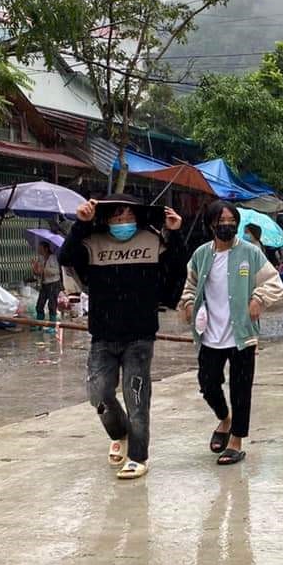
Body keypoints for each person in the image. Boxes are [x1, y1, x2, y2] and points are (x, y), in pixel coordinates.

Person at [60, 194, 186, 480]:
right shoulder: (93, 242)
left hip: (140, 336)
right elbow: (65, 257)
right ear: (106, 218)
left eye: (128, 216)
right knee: (100, 396)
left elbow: (178, 266)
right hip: (103, 336)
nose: (122, 222)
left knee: (137, 398)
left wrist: (174, 232)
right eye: (117, 217)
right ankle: (119, 433)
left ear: (137, 217)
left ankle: (138, 456)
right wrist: (80, 224)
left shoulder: (152, 240)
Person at [179, 201, 283, 465]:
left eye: (231, 221)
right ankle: (224, 419)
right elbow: (189, 286)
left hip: (242, 335)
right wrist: (189, 304)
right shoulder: (201, 255)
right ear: (210, 224)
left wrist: (258, 299)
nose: (226, 225)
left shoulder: (250, 253)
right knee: (208, 384)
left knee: (241, 389)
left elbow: (274, 282)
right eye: (221, 221)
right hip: (210, 335)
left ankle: (236, 441)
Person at [32, 241, 61, 332]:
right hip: (44, 284)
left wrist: (44, 270)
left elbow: (56, 271)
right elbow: (38, 273)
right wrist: (35, 267)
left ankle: (53, 326)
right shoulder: (40, 258)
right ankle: (39, 324)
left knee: (52, 305)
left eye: (40, 248)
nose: (39, 249)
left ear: (46, 248)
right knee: (39, 305)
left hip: (53, 283)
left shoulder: (53, 258)